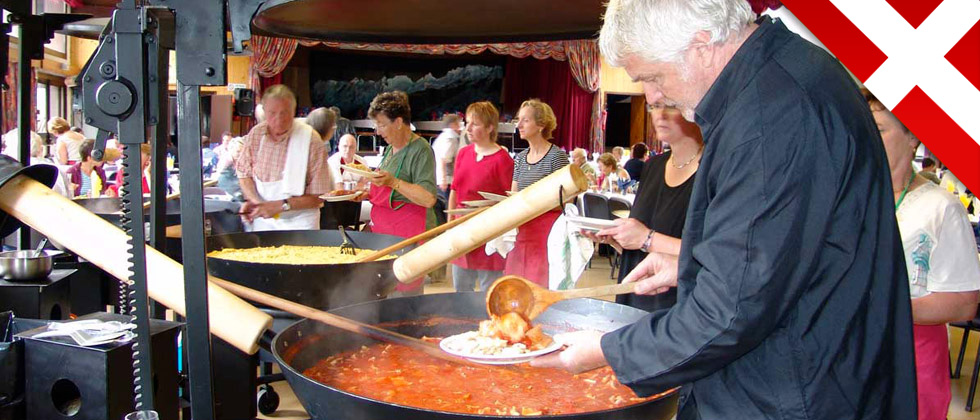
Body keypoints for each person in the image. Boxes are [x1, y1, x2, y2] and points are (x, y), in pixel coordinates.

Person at [532, 1, 917, 419]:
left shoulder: (769, 117)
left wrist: (606, 350)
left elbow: (731, 313)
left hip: (794, 391)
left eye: (654, 77)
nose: (656, 97)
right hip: (817, 371)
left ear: (701, 44)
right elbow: (787, 251)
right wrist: (692, 269)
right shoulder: (787, 73)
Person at [866, 89, 980, 420]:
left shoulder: (940, 208)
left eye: (880, 129)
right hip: (854, 350)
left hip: (912, 354)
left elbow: (962, 302)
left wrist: (883, 304)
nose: (869, 138)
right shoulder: (854, 198)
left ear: (912, 137)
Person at [592, 102, 702, 312]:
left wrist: (646, 239)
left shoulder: (714, 171)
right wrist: (618, 240)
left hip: (678, 309)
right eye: (654, 107)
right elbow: (642, 241)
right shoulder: (653, 166)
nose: (659, 115)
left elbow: (718, 256)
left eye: (670, 106)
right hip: (635, 298)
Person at [363, 91, 437, 297]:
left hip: (407, 236)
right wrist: (364, 192)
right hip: (384, 233)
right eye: (376, 125)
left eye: (382, 124)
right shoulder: (389, 149)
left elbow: (428, 198)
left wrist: (392, 182)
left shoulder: (420, 150)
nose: (378, 131)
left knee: (404, 299)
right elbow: (386, 187)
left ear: (398, 122)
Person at [236, 84, 331, 231]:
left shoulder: (311, 140)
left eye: (284, 113)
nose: (278, 119)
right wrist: (256, 202)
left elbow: (319, 197)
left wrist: (281, 205)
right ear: (264, 111)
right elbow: (244, 174)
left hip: (300, 223)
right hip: (264, 221)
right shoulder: (256, 134)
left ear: (294, 111)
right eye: (272, 113)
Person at [448, 102, 513, 292]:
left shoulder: (502, 160)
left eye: (474, 124)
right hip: (462, 230)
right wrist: (449, 226)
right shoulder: (463, 154)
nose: (467, 128)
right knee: (461, 288)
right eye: (467, 122)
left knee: (489, 290)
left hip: (489, 233)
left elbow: (510, 202)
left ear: (490, 127)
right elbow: (454, 190)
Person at [507, 99, 569, 287]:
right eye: (519, 120)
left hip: (546, 233)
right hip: (522, 230)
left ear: (541, 124)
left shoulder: (556, 157)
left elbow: (566, 200)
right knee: (515, 283)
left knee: (539, 284)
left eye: (525, 120)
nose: (519, 125)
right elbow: (514, 193)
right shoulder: (520, 158)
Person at [432, 114, 461, 202]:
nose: (459, 127)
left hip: (437, 178)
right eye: (458, 124)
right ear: (452, 125)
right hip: (445, 181)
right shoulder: (450, 138)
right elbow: (443, 160)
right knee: (446, 206)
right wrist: (443, 180)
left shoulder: (442, 136)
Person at [216, 136, 245, 200]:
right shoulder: (226, 163)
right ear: (231, 150)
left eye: (242, 152)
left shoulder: (242, 162)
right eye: (238, 151)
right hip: (229, 193)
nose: (240, 154)